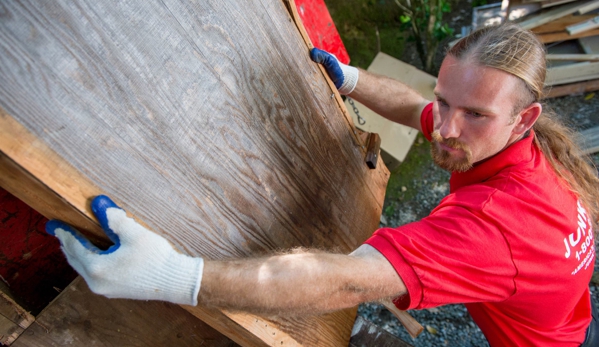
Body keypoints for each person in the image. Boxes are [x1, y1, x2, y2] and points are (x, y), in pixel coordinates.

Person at [45, 24, 599, 346]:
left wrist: (172, 276)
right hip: (562, 308)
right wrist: (351, 80)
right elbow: (416, 107)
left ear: (523, 119)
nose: (446, 128)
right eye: (446, 100)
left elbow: (345, 283)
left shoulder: (494, 232)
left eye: (473, 114)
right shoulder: (514, 145)